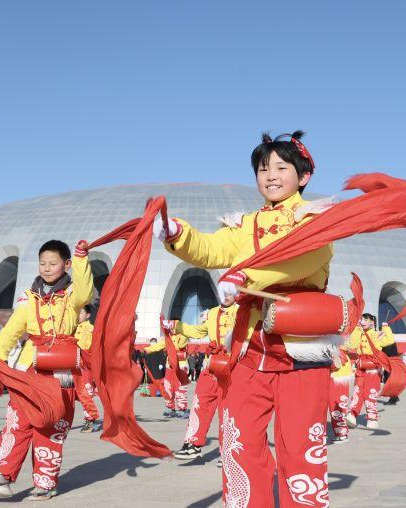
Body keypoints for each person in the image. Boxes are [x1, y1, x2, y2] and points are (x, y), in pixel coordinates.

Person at [155, 132, 337, 507]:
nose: (270, 175)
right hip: (248, 347)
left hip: (300, 348)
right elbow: (212, 249)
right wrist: (178, 235)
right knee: (239, 441)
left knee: (300, 448)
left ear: (303, 176)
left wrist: (246, 276)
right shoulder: (246, 224)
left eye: (281, 168)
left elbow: (304, 257)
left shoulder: (316, 220)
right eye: (263, 168)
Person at [0, 239, 93, 501]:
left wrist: (82, 260)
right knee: (16, 422)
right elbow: (11, 331)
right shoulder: (29, 298)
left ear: (66, 265)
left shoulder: (72, 296)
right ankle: (1, 476)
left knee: (51, 427)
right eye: (42, 263)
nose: (47, 268)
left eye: (53, 263)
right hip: (29, 370)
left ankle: (45, 483)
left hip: (61, 372)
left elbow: (86, 291)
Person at [170, 304, 238, 463]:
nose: (226, 295)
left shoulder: (242, 309)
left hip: (233, 366)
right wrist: (176, 326)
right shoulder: (213, 312)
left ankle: (228, 453)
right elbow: (199, 331)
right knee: (200, 402)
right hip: (212, 364)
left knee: (228, 409)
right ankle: (192, 444)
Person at [345, 314, 390, 430]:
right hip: (361, 365)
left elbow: (389, 340)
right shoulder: (359, 333)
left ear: (372, 322)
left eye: (366, 320)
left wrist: (386, 328)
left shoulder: (376, 334)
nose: (362, 321)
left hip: (373, 367)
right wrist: (357, 330)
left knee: (370, 392)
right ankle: (352, 415)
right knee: (357, 391)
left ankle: (372, 419)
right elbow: (351, 345)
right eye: (361, 319)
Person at [74, 304, 101, 432]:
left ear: (88, 315)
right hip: (72, 365)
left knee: (86, 393)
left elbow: (86, 347)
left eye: (81, 313)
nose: (78, 315)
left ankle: (90, 420)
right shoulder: (72, 327)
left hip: (85, 366)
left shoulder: (90, 329)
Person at [329, 350, 354, 442]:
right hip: (338, 371)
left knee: (336, 404)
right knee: (336, 404)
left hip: (337, 373)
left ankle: (342, 433)